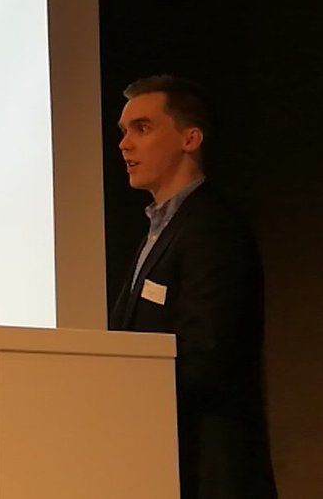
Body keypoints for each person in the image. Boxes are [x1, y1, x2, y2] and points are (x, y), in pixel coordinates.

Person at [110, 75, 277, 499]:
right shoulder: (157, 231)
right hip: (158, 461)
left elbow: (208, 353)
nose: (124, 144)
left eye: (141, 128)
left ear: (190, 139)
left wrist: (123, 388)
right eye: (124, 131)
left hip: (207, 470)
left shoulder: (213, 228)